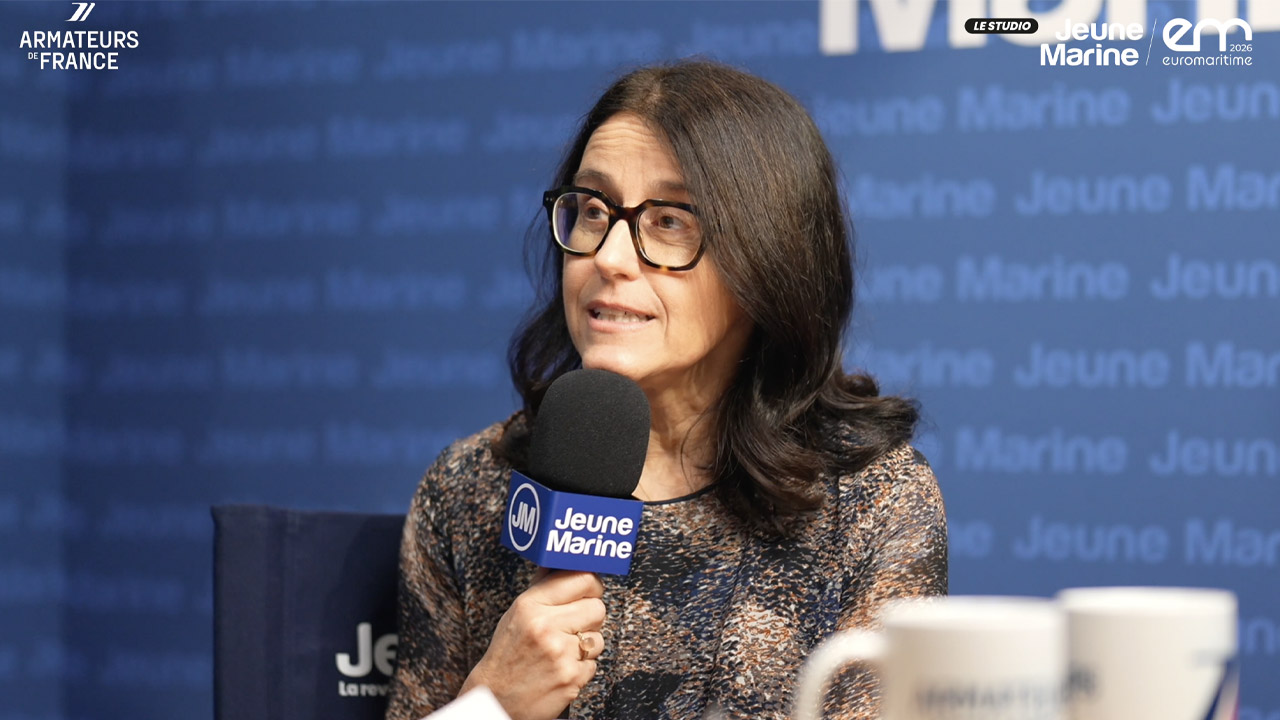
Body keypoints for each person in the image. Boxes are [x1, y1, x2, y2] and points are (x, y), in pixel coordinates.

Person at [385, 60, 947, 720]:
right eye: (593, 210)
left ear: (767, 257)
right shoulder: (469, 490)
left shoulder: (870, 500)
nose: (609, 257)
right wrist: (492, 703)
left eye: (670, 221)